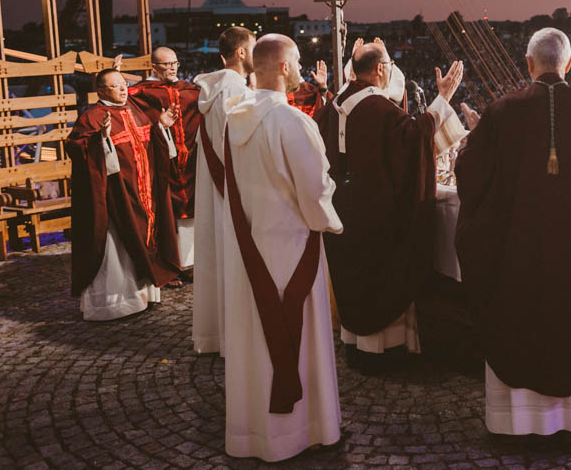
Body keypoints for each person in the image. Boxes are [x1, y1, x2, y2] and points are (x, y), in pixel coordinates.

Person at [455, 27, 571, 447]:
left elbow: (470, 177)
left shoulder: (501, 114)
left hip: (519, 254)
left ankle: (516, 424)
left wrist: (475, 140)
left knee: (522, 323)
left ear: (529, 64)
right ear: (569, 63)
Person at [220, 34, 344, 461]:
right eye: (297, 62)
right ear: (283, 67)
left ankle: (254, 432)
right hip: (292, 246)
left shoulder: (233, 119)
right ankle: (304, 429)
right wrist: (328, 221)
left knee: (253, 336)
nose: (300, 69)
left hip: (249, 249)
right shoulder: (292, 122)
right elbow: (316, 189)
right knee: (300, 333)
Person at [315, 40, 463, 367]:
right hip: (377, 213)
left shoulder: (334, 102)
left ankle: (354, 341)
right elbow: (414, 141)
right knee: (380, 274)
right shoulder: (378, 109)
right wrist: (444, 99)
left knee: (353, 275)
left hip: (342, 210)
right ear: (381, 69)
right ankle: (383, 350)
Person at [67, 69, 182, 321]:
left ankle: (144, 295)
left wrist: (162, 127)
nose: (123, 89)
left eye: (123, 85)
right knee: (116, 248)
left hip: (143, 192)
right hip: (115, 197)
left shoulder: (135, 111)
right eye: (115, 86)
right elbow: (78, 149)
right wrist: (101, 140)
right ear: (100, 91)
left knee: (145, 238)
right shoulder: (92, 117)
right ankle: (113, 305)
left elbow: (151, 141)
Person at [191, 26, 255, 355]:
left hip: (215, 187)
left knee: (215, 256)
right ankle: (237, 335)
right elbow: (244, 145)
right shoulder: (236, 91)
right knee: (233, 258)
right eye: (253, 46)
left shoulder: (213, 89)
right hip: (233, 187)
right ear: (241, 52)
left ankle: (216, 333)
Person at [123, 47, 201, 277]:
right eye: (166, 64)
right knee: (164, 208)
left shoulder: (191, 90)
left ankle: (190, 261)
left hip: (190, 161)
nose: (171, 68)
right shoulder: (140, 94)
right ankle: (168, 260)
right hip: (160, 160)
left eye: (174, 63)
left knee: (191, 209)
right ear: (154, 67)